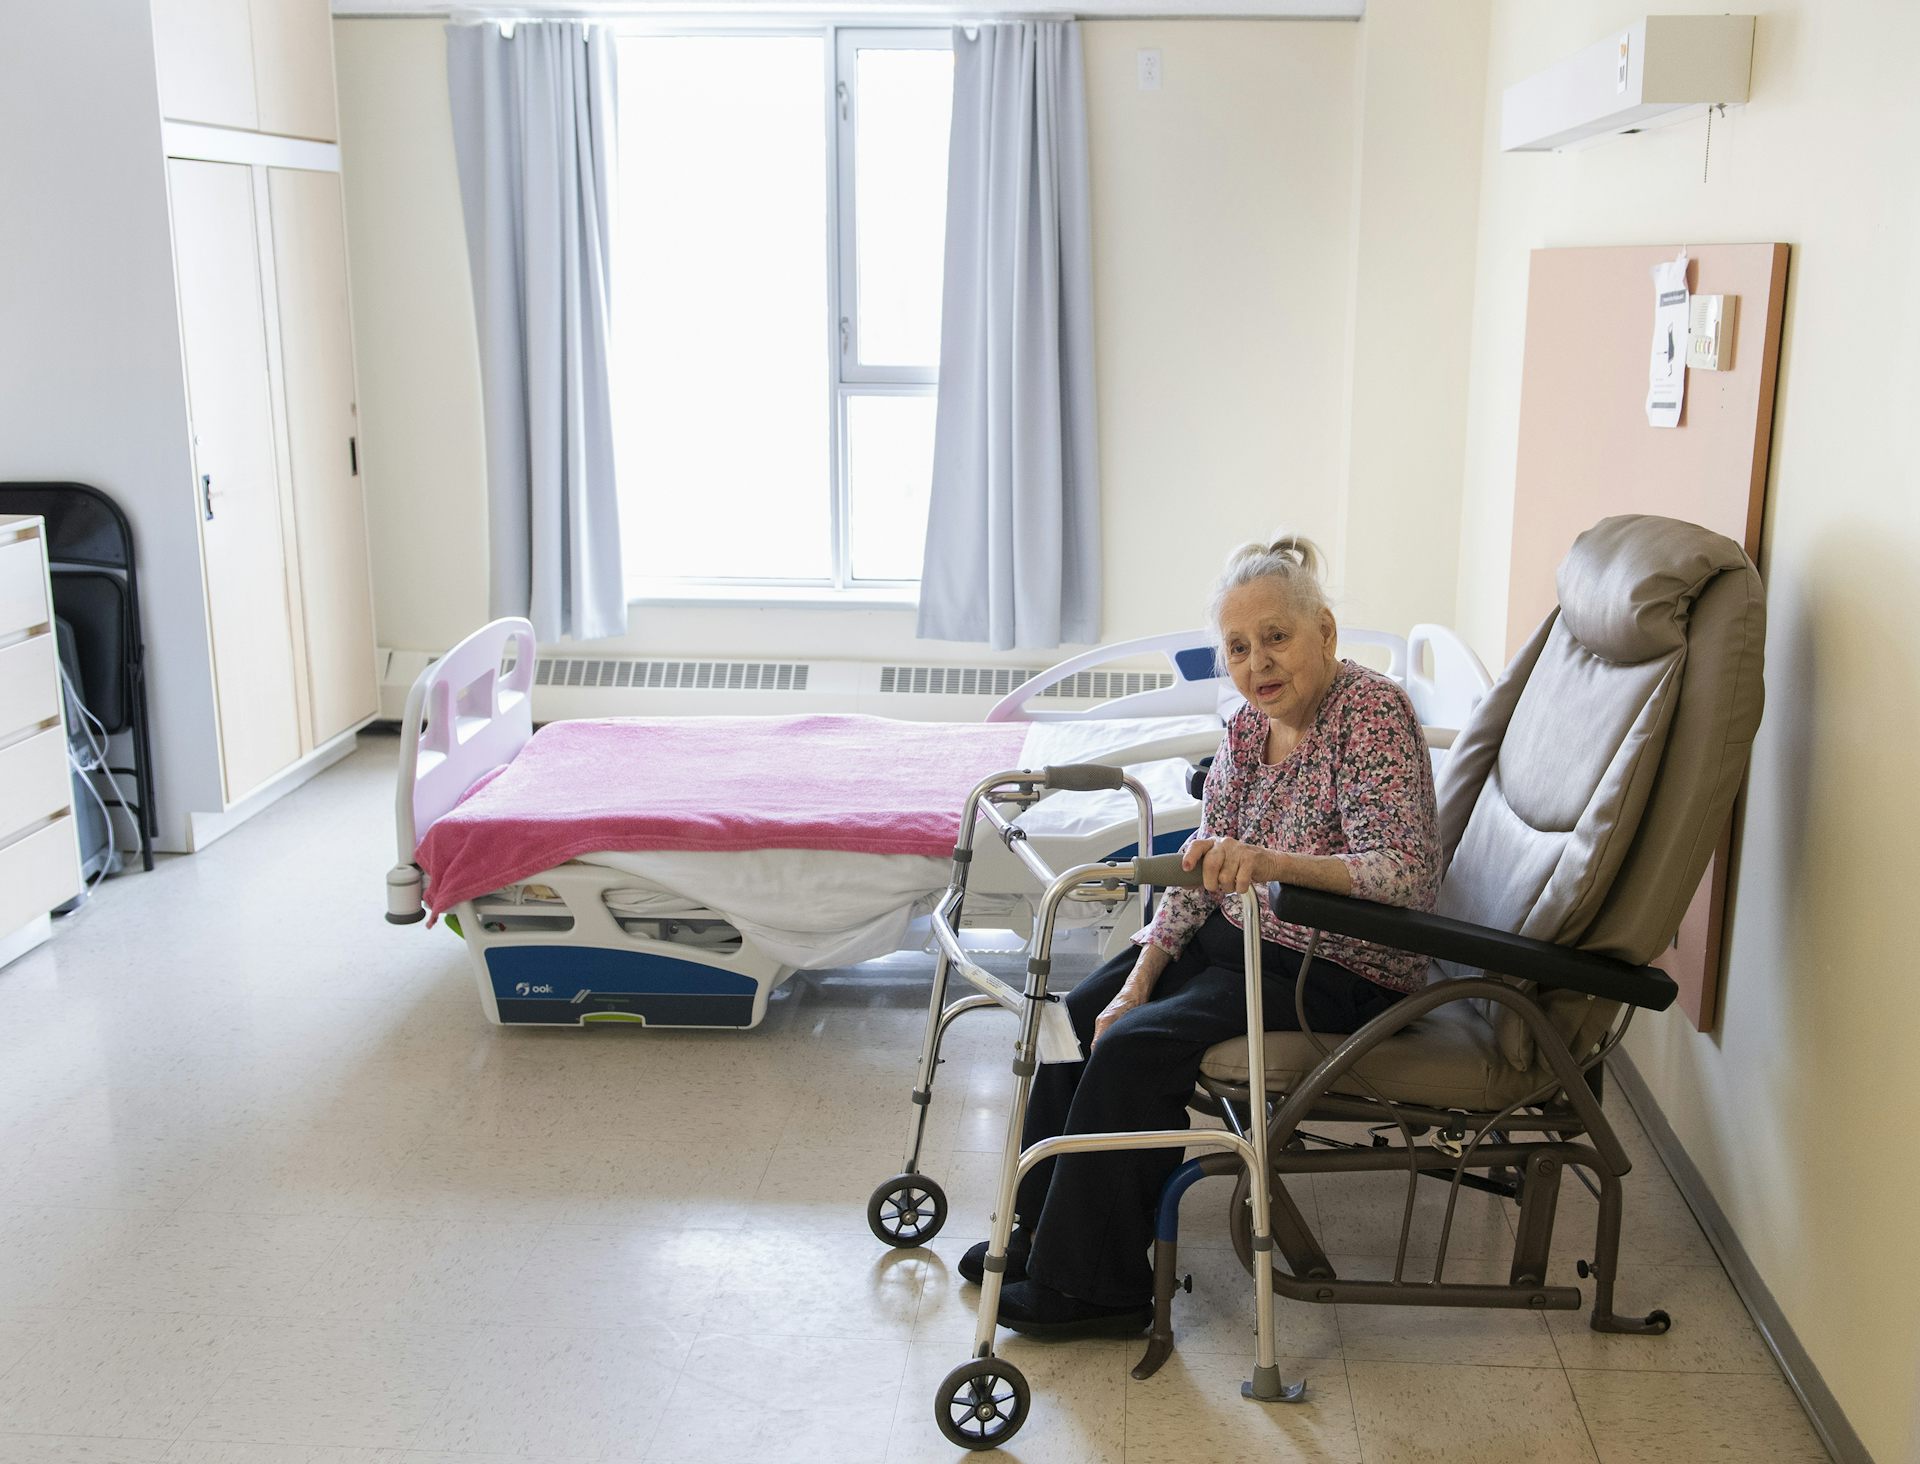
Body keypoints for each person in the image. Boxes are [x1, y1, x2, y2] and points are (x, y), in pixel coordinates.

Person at [960, 534, 1443, 1336]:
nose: (1260, 663)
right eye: (1240, 648)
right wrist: (1137, 980)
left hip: (1338, 962)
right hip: (1246, 936)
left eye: (1277, 638)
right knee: (1076, 1020)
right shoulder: (1247, 732)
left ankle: (1092, 1291)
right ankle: (1039, 1236)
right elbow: (1203, 871)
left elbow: (1403, 874)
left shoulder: (1371, 712)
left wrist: (1268, 862)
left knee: (1134, 1048)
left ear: (1324, 632)